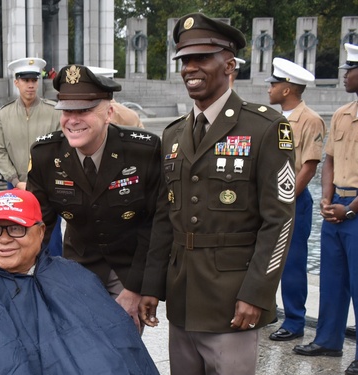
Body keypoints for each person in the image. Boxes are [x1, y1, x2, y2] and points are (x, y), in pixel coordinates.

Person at [139, 13, 295, 375]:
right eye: (185, 60)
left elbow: (279, 221)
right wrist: (152, 285)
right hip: (181, 298)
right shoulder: (174, 134)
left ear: (229, 65)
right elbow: (166, 217)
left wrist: (256, 293)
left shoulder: (265, 127)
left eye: (201, 58)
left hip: (232, 300)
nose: (190, 68)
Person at [0, 189, 160, 375]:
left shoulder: (72, 276)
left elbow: (117, 347)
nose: (3, 239)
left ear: (40, 232)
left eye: (16, 228)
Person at [27, 64, 168, 332]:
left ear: (109, 113)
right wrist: (36, 281)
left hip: (128, 267)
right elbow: (39, 228)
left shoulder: (143, 151)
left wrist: (136, 288)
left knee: (122, 349)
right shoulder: (46, 154)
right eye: (67, 111)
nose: (73, 119)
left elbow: (156, 225)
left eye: (85, 110)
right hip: (78, 264)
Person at [293, 43, 358, 375]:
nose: (345, 75)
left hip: (357, 208)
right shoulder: (344, 113)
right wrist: (328, 199)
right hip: (337, 204)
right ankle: (329, 341)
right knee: (333, 278)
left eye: (351, 69)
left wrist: (351, 209)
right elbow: (329, 158)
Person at [264, 57, 325, 342]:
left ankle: (295, 321)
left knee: (292, 263)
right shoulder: (270, 118)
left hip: (293, 202)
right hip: (266, 199)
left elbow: (309, 167)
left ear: (287, 89)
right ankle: (267, 311)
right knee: (263, 258)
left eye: (274, 84)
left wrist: (286, 200)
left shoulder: (310, 119)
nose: (269, 89)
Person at [0, 57, 63, 256]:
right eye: (25, 80)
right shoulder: (4, 115)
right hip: (16, 186)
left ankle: (53, 275)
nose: (30, 85)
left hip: (48, 187)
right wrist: (15, 181)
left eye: (34, 80)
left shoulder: (53, 112)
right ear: (17, 82)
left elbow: (61, 149)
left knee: (51, 237)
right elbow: (0, 150)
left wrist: (48, 180)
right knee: (17, 234)